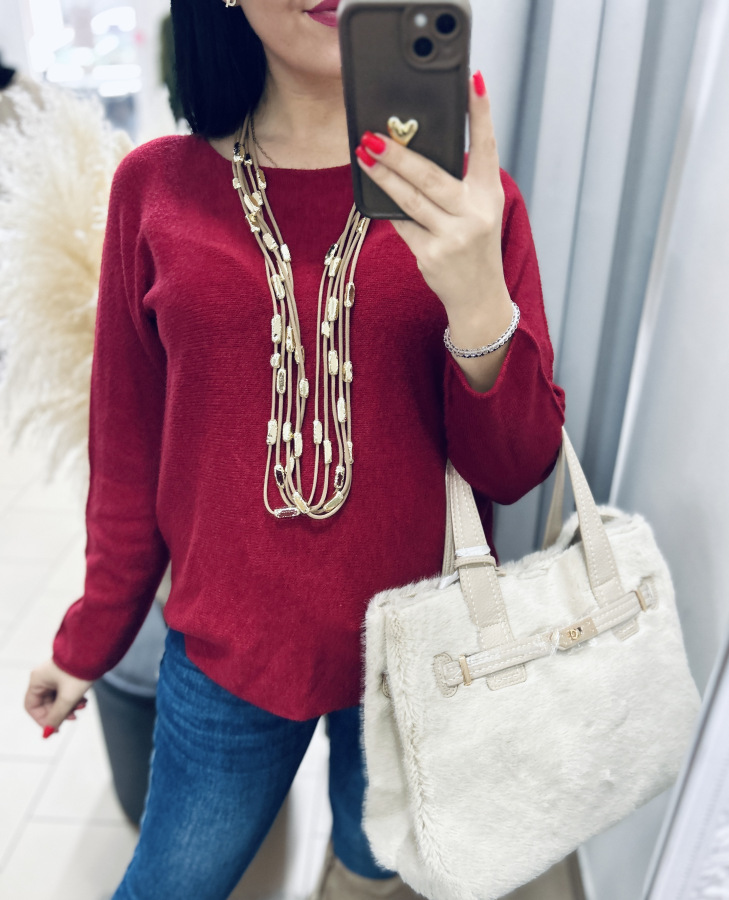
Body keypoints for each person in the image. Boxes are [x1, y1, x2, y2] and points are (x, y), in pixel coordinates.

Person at [23, 1, 566, 898]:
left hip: (416, 657)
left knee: (370, 873)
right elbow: (126, 459)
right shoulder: (155, 190)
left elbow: (515, 468)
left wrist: (476, 300)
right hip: (227, 655)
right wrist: (89, 642)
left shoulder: (469, 203)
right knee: (169, 884)